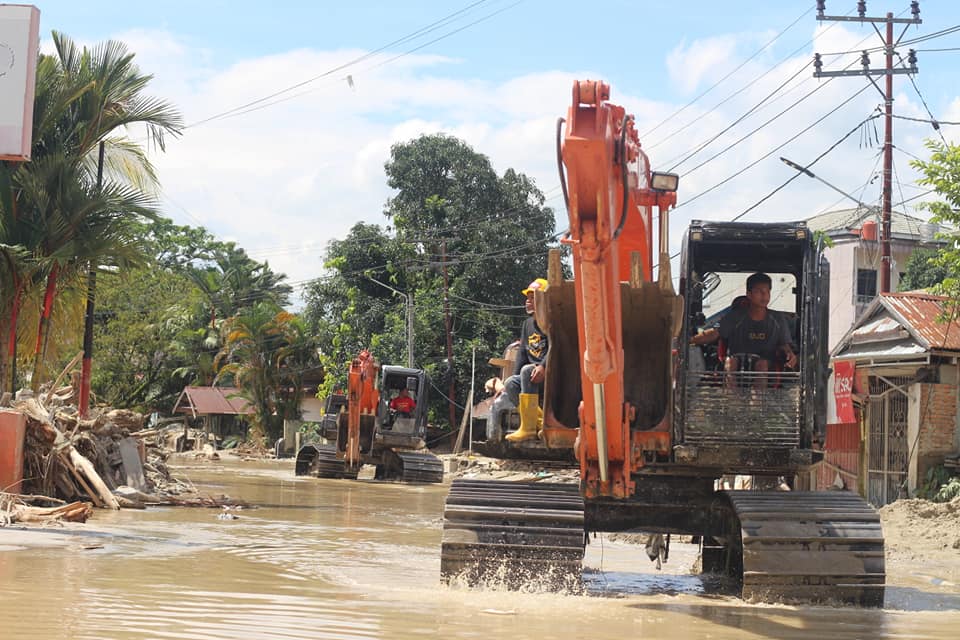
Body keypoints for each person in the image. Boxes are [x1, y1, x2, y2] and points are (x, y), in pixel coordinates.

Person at [690, 272, 797, 389]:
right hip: (736, 361)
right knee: (731, 363)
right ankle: (734, 402)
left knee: (762, 364)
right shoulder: (734, 317)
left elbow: (784, 345)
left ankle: (757, 404)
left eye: (767, 291)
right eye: (758, 291)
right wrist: (689, 340)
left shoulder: (777, 319)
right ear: (749, 294)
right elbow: (715, 333)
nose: (764, 295)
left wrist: (789, 354)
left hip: (767, 365)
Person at [497, 277, 550, 442]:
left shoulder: (552, 321)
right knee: (511, 383)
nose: (528, 302)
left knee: (527, 370)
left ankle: (528, 428)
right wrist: (511, 377)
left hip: (550, 372)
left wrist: (543, 366)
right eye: (527, 298)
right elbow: (521, 353)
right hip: (531, 376)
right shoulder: (527, 324)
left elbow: (559, 346)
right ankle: (541, 425)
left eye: (532, 298)